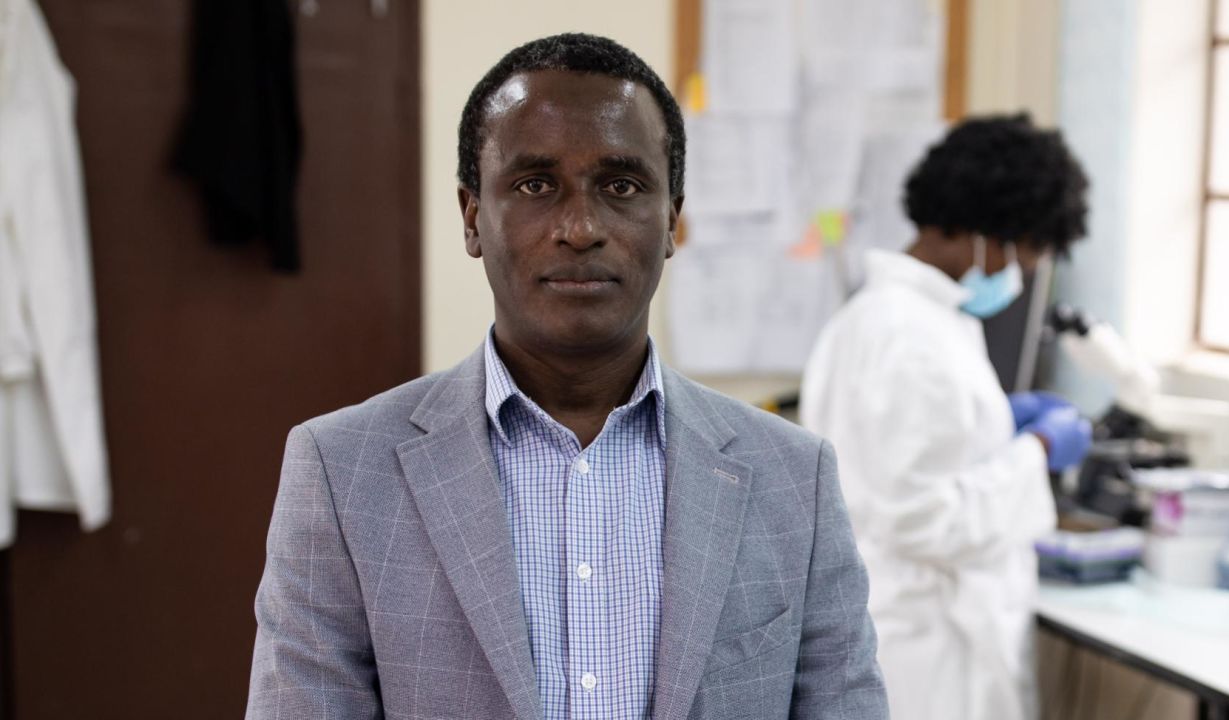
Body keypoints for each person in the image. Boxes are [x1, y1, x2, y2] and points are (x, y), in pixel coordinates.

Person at [246, 33, 888, 720]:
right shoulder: (343, 471)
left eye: (621, 185)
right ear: (472, 218)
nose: (580, 227)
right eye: (534, 185)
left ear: (671, 219)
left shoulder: (794, 477)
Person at [800, 114, 1093, 720]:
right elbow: (924, 520)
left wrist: (995, 427)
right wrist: (1035, 450)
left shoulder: (887, 317)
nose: (1030, 269)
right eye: (1031, 249)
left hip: (909, 627)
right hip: (923, 651)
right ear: (987, 230)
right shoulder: (911, 337)